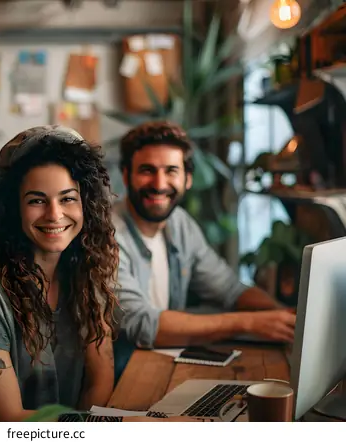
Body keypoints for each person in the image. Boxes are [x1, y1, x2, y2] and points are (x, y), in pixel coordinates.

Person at [0, 126, 195, 423]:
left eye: (67, 199)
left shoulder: (88, 272)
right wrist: (134, 425)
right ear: (13, 208)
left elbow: (98, 383)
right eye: (37, 200)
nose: (54, 214)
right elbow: (9, 419)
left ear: (86, 205)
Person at [112, 121, 297, 380]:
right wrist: (250, 323)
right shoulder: (108, 234)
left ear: (187, 179)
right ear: (125, 175)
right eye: (146, 170)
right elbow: (143, 325)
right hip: (119, 377)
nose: (159, 183)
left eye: (171, 171)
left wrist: (282, 318)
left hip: (160, 364)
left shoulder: (180, 224)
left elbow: (229, 289)